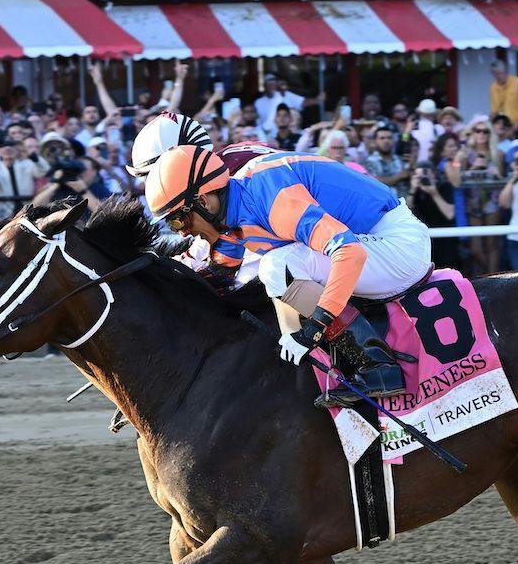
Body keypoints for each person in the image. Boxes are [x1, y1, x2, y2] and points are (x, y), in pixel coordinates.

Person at [146, 146, 431, 406]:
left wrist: (313, 329)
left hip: (397, 247)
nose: (181, 232)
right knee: (276, 267)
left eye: (177, 219)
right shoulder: (235, 204)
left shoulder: (272, 200)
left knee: (276, 267)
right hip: (375, 241)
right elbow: (219, 274)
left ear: (204, 201)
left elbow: (349, 253)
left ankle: (377, 364)